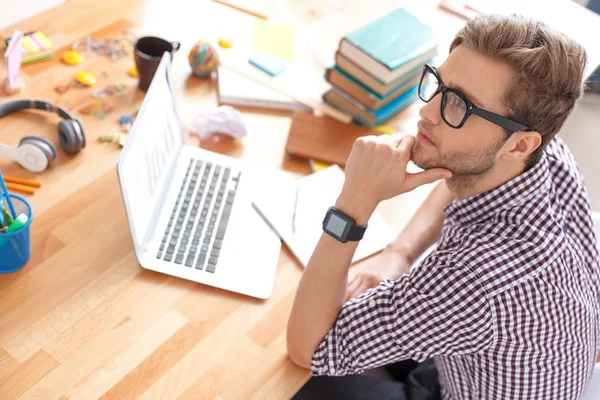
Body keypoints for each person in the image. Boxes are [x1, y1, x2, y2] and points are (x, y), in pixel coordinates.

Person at [287, 14, 600, 400]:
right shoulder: (543, 154)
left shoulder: (475, 277)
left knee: (300, 384)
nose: (428, 112)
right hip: (506, 358)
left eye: (460, 106)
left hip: (465, 380)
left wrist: (354, 203)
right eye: (440, 86)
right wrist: (400, 252)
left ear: (520, 144)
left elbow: (309, 348)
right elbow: (465, 170)